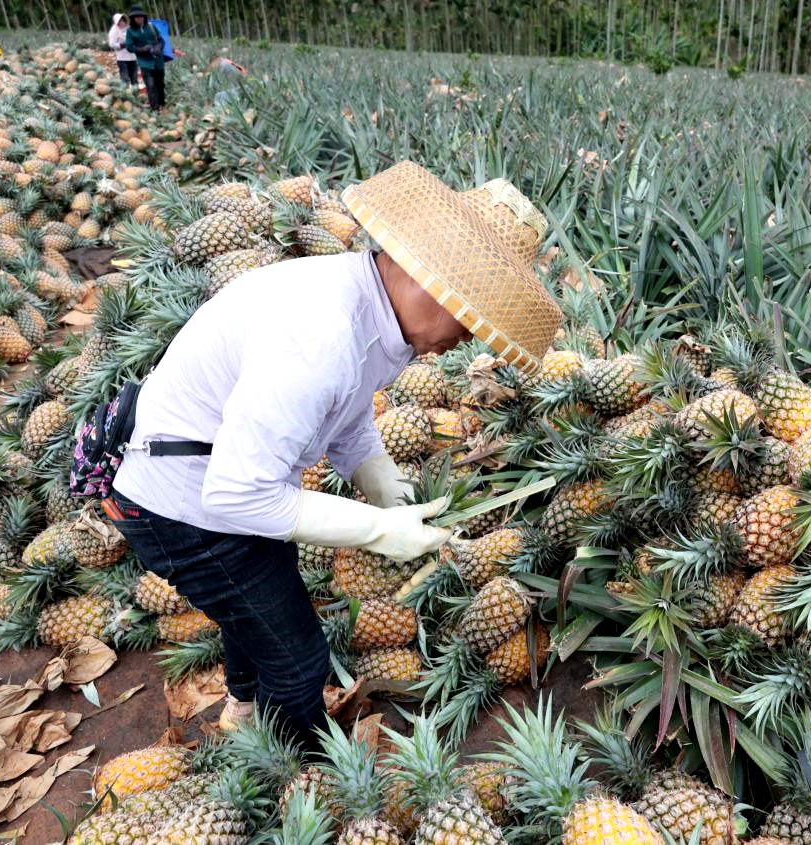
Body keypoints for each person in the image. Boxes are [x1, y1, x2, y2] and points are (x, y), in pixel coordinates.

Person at [102, 161, 562, 749]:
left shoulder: (368, 304)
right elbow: (236, 495)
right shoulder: (321, 336)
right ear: (418, 267)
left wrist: (384, 484)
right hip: (182, 506)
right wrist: (374, 529)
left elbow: (344, 419)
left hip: (214, 478)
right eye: (467, 310)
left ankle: (242, 710)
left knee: (258, 600)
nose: (470, 334)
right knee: (297, 659)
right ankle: (281, 769)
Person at [124, 6, 166, 110]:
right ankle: (155, 109)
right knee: (151, 85)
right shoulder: (130, 31)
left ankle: (161, 103)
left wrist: (158, 47)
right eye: (136, 17)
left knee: (160, 83)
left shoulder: (151, 27)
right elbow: (129, 47)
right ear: (133, 18)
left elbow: (162, 41)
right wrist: (142, 49)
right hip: (145, 62)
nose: (139, 19)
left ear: (144, 17)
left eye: (141, 16)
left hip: (158, 60)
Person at [108, 14, 138, 87]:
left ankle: (135, 92)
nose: (122, 23)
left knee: (134, 77)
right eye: (120, 21)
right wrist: (122, 45)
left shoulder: (129, 29)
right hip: (122, 58)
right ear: (116, 22)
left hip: (133, 56)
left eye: (123, 21)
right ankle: (125, 93)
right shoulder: (114, 30)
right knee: (125, 77)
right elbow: (111, 43)